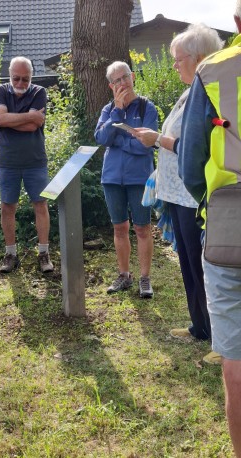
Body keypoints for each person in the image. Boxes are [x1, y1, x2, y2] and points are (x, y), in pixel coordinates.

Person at [133, 24, 224, 364]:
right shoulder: (189, 91)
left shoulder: (212, 93)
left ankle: (219, 337)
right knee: (186, 262)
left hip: (195, 195)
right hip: (178, 193)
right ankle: (199, 325)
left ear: (199, 58)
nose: (173, 66)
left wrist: (157, 139)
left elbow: (196, 148)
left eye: (177, 59)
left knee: (204, 267)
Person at [178, 4, 241, 455]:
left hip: (227, 225)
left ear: (237, 24)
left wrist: (213, 202)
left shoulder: (213, 73)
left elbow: (191, 164)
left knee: (235, 364)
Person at [94, 61, 158, 298]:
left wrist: (118, 141)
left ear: (132, 76)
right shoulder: (108, 110)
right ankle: (124, 275)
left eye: (125, 78)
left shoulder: (146, 108)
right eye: (117, 81)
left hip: (139, 178)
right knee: (119, 227)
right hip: (111, 178)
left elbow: (146, 146)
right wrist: (118, 113)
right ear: (111, 86)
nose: (122, 83)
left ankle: (144, 278)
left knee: (142, 228)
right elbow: (101, 138)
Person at [0, 56, 53, 274]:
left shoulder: (39, 92)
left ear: (31, 76)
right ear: (9, 74)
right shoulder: (0, 90)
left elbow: (32, 126)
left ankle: (44, 252)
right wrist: (29, 116)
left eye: (25, 79)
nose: (20, 84)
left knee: (41, 205)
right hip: (8, 162)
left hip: (36, 161)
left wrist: (8, 120)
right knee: (7, 207)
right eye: (16, 78)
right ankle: (10, 254)